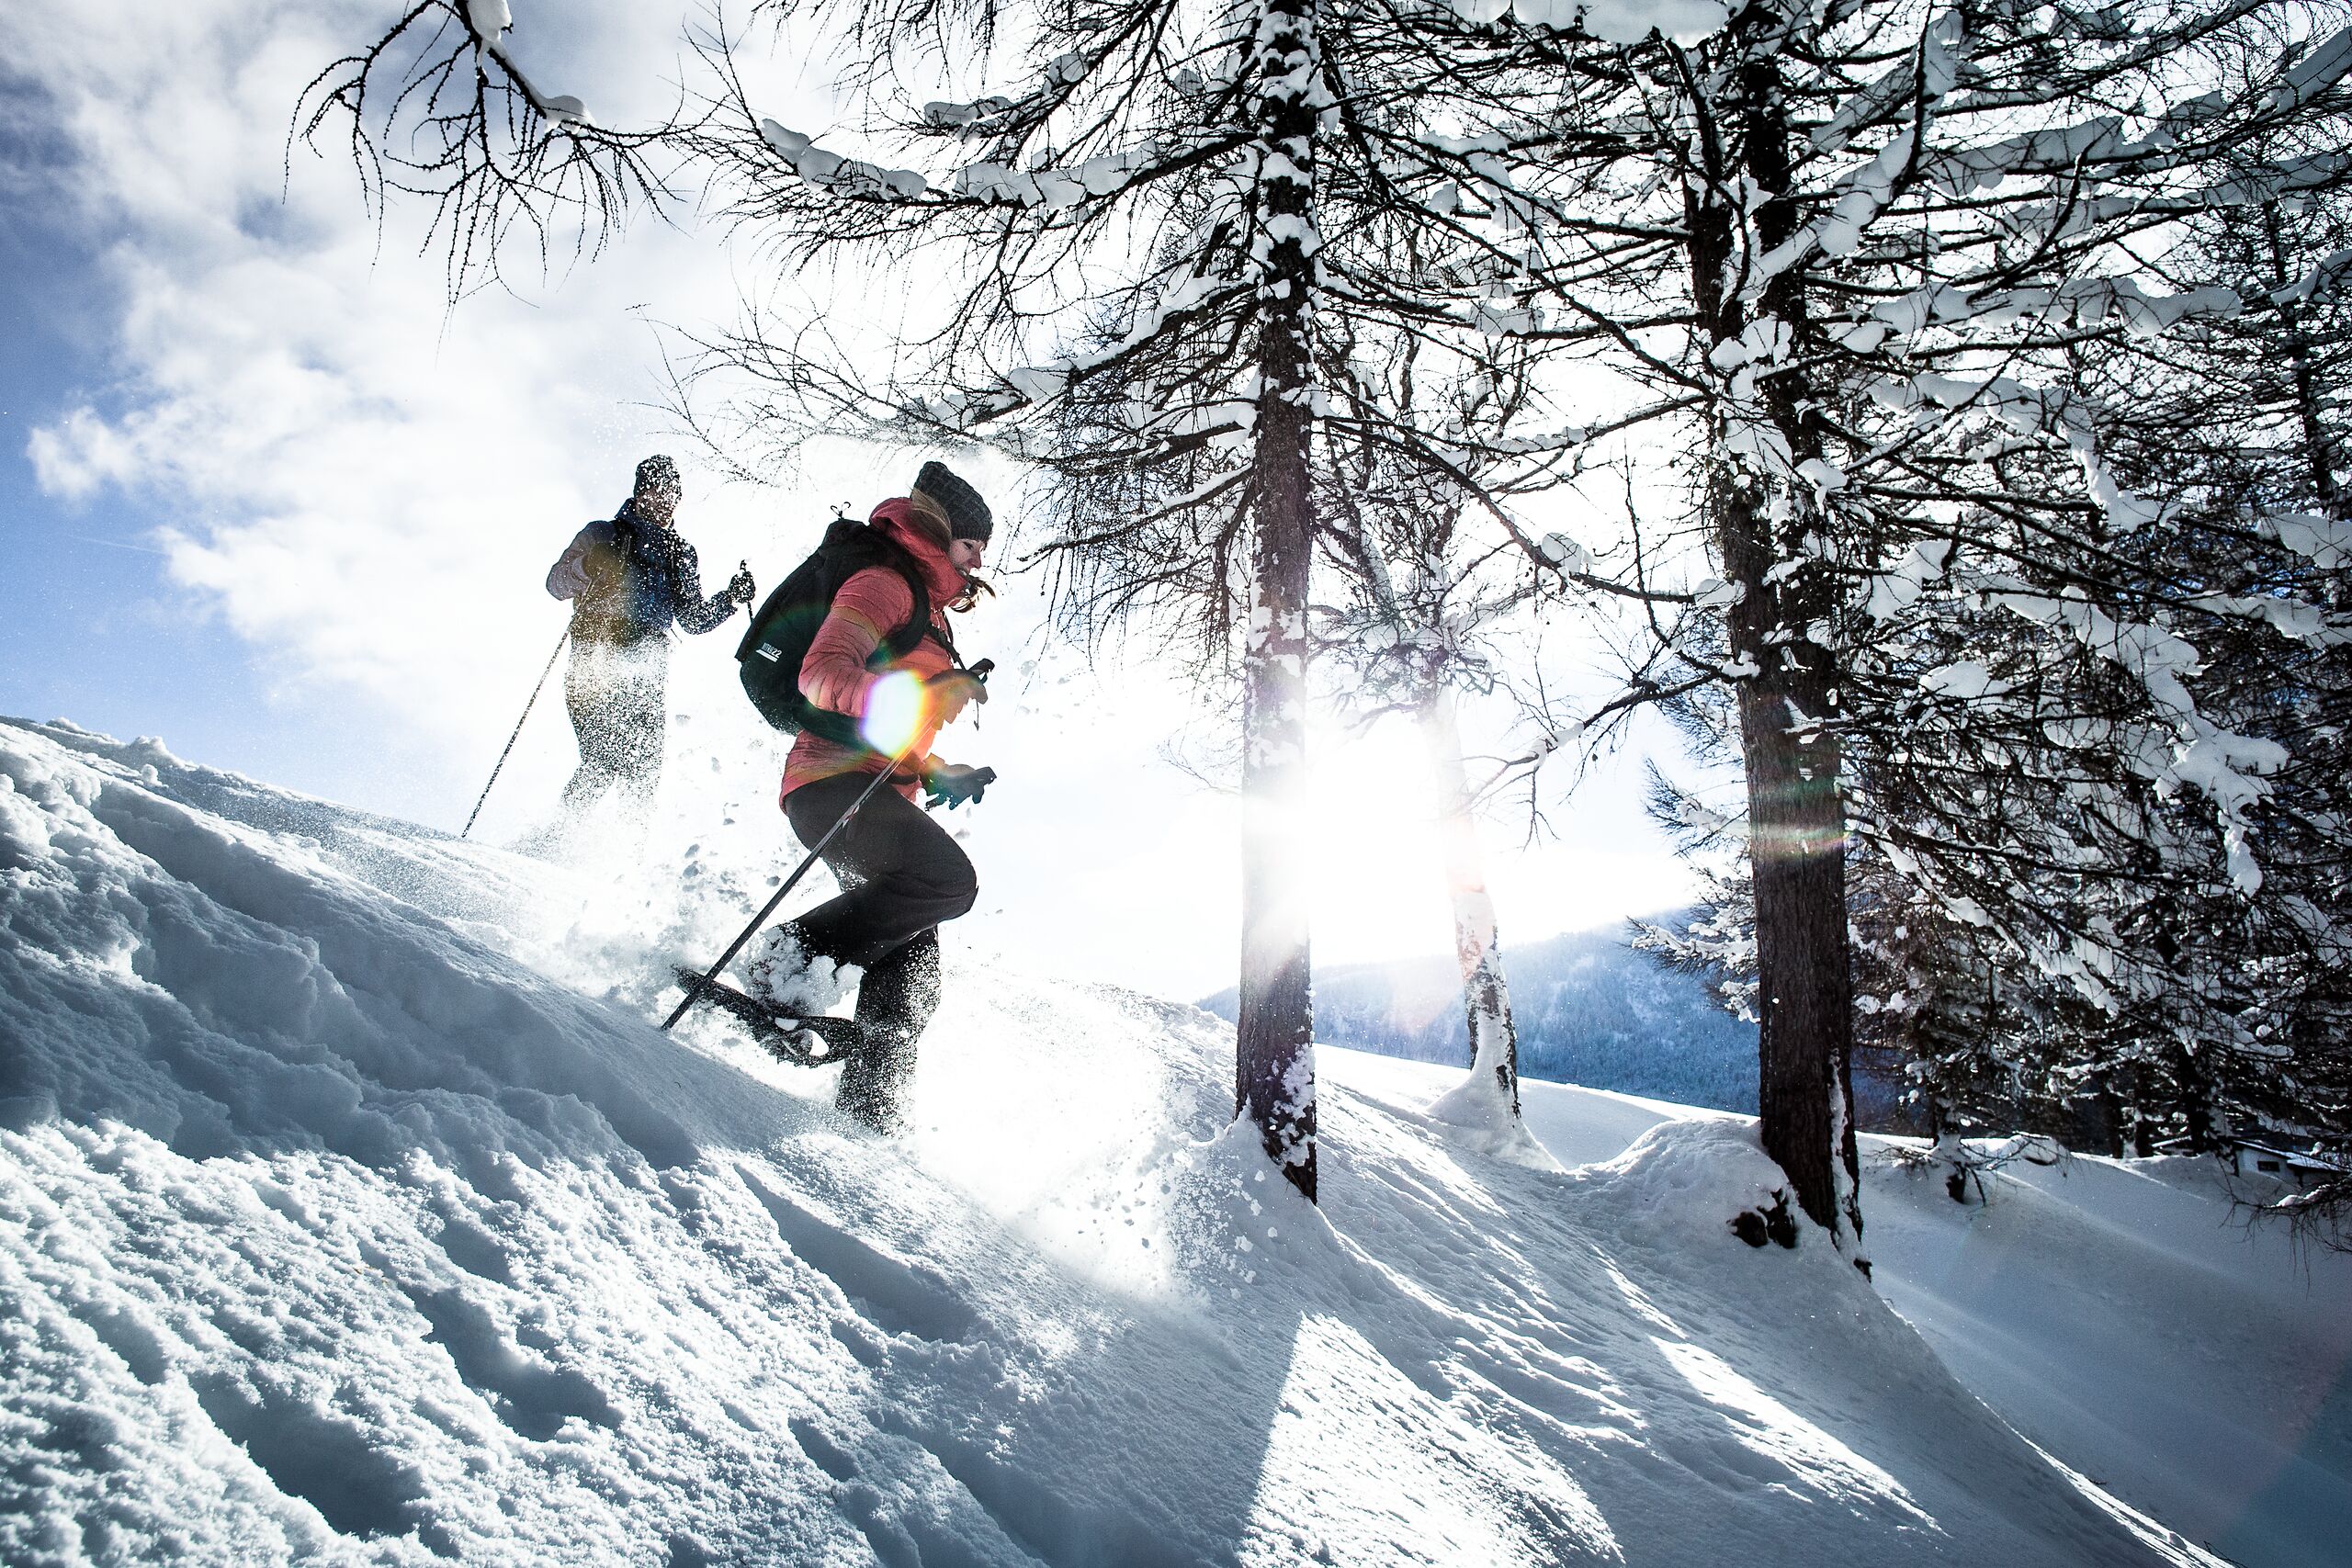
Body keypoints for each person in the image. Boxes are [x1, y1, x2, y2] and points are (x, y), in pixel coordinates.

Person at [750, 460, 997, 1132]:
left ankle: (870, 1117)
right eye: (972, 545)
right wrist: (924, 696)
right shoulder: (884, 583)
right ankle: (785, 959)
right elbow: (822, 673)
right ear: (941, 533)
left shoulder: (928, 609)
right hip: (831, 783)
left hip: (871, 786)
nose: (978, 562)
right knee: (948, 878)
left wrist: (939, 770)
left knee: (911, 964)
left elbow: (892, 722)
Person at [545, 456, 754, 828]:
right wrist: (590, 565)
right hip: (596, 654)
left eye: (673, 493)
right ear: (641, 492)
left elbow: (692, 618)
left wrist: (731, 599)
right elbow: (556, 584)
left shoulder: (679, 553)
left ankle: (626, 856)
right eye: (659, 490)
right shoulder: (603, 534)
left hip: (647, 666)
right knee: (603, 758)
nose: (667, 500)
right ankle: (559, 835)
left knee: (643, 770)